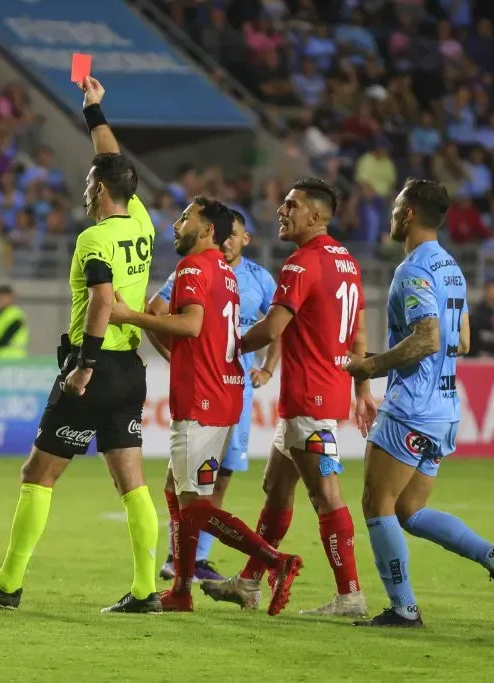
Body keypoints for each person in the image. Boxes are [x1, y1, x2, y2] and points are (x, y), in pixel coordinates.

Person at [0, 77, 162, 613]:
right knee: (131, 481)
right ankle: (145, 590)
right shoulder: (140, 221)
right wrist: (94, 111)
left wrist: (83, 365)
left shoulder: (94, 238)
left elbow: (101, 299)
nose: (85, 187)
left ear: (101, 189)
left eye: (91, 181)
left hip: (93, 367)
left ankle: (8, 583)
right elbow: (113, 161)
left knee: (38, 474)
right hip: (130, 370)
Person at [344, 178, 494, 627]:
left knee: (376, 504)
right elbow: (461, 341)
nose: (391, 215)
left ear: (408, 215)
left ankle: (403, 609)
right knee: (409, 511)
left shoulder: (413, 270)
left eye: (395, 208)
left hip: (412, 408)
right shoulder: (451, 268)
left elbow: (427, 338)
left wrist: (371, 366)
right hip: (444, 409)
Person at [109, 196, 303, 615]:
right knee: (178, 493)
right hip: (224, 393)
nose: (176, 224)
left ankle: (276, 561)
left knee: (193, 504)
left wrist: (130, 317)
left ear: (208, 229)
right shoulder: (226, 272)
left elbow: (190, 324)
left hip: (201, 398)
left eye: (185, 217)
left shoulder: (193, 267)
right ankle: (181, 588)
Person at [203, 178, 375, 616]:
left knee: (325, 495)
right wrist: (362, 389)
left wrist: (226, 347)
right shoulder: (347, 262)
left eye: (291, 205)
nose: (281, 211)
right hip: (324, 392)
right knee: (276, 488)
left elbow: (272, 328)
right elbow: (358, 332)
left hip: (309, 397)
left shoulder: (302, 263)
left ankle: (350, 595)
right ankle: (249, 582)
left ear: (316, 216)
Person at [149, 210, 279, 583]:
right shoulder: (202, 270)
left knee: (211, 482)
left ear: (244, 238)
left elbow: (278, 326)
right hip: (212, 387)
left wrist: (267, 368)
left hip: (231, 390)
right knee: (184, 486)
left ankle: (199, 561)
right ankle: (182, 564)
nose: (227, 241)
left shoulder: (256, 278)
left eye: (234, 235)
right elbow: (157, 311)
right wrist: (174, 356)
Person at [0, 285, 29, 359]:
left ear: (11, 297)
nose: (1, 301)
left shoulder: (16, 315)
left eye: (4, 297)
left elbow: (6, 337)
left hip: (14, 357)